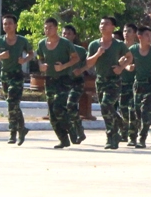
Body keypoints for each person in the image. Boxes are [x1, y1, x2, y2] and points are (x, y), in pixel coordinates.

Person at [85, 16, 130, 150]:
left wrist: (121, 68)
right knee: (106, 108)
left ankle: (112, 136)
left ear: (113, 27)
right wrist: (98, 54)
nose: (102, 26)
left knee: (106, 104)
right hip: (100, 80)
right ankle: (121, 123)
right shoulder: (94, 45)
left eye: (106, 24)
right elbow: (88, 63)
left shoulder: (118, 45)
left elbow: (129, 57)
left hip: (114, 80)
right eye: (101, 23)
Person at [0, 14, 33, 145]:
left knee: (12, 101)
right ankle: (20, 129)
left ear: (15, 25)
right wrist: (0, 56)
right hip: (5, 76)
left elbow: (31, 53)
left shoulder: (22, 41)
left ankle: (14, 131)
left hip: (17, 75)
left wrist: (24, 59)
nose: (7, 26)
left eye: (9, 23)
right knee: (12, 104)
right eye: (5, 24)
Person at [35, 18, 80, 149]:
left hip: (63, 79)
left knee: (59, 107)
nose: (47, 30)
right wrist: (41, 65)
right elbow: (39, 58)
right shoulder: (42, 44)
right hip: (49, 79)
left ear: (56, 28)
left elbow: (75, 58)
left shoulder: (65, 43)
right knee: (52, 113)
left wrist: (64, 66)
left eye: (50, 27)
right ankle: (63, 139)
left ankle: (71, 129)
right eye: (45, 27)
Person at [60, 25, 88, 145]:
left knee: (71, 104)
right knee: (62, 109)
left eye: (68, 34)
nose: (66, 36)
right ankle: (75, 130)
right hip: (62, 82)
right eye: (64, 34)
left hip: (76, 82)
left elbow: (88, 64)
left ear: (74, 36)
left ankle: (78, 129)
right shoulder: (58, 49)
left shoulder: (80, 51)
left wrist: (81, 70)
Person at [119, 24, 139, 146]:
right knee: (122, 109)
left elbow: (136, 66)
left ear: (135, 34)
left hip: (135, 83)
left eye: (129, 31)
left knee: (132, 109)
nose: (126, 33)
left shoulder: (137, 48)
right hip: (121, 83)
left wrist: (126, 65)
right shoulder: (119, 47)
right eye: (124, 30)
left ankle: (132, 136)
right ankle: (124, 132)